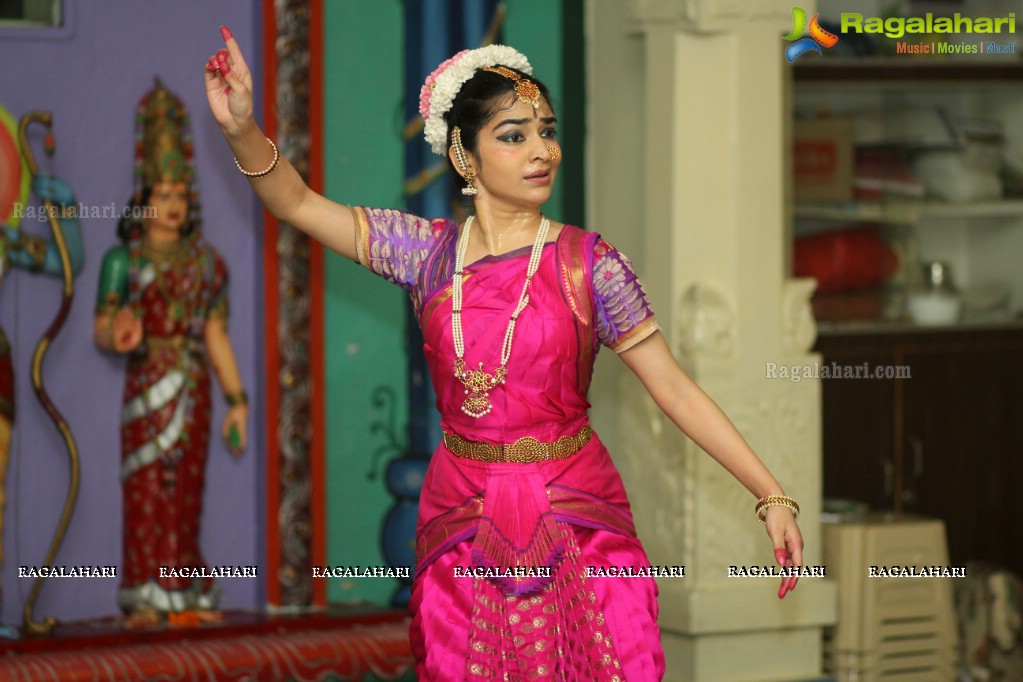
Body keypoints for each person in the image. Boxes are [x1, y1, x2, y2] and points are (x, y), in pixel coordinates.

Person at [206, 29, 803, 680]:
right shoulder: (426, 256)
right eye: (514, 135)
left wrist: (770, 494)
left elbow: (675, 390)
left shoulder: (589, 266)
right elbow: (295, 202)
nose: (542, 150)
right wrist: (242, 128)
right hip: (462, 516)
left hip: (577, 516)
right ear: (465, 154)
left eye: (544, 131)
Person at [94, 79, 248, 628]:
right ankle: (143, 593)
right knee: (145, 487)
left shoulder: (208, 265)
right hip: (146, 387)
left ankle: (182, 590)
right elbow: (103, 328)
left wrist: (237, 400)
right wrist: (121, 335)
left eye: (183, 194)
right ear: (144, 199)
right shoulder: (123, 261)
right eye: (165, 194)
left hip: (192, 388)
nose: (176, 204)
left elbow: (214, 337)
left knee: (185, 489)